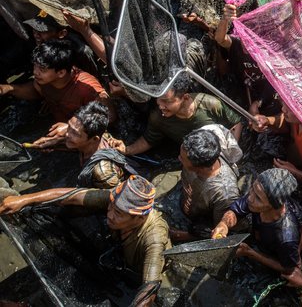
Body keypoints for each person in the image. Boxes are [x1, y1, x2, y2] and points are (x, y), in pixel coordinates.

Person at [0, 175, 170, 306]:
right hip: (115, 250)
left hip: (133, 271)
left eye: (118, 214)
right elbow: (72, 195)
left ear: (139, 219)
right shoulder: (117, 199)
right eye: (111, 206)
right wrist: (25, 199)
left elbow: (150, 287)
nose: (110, 214)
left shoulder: (154, 237)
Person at [109, 73, 242, 156]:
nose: (160, 106)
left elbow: (236, 123)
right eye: (158, 100)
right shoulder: (158, 116)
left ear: (185, 98)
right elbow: (149, 139)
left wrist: (229, 154)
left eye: (166, 101)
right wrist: (127, 150)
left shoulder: (210, 104)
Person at [212, 168, 301, 276]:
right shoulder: (257, 198)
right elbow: (235, 211)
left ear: (274, 206)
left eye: (258, 198)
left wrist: (250, 253)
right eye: (252, 188)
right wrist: (223, 224)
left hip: (274, 253)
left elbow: (289, 268)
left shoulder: (286, 238)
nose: (250, 198)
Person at [0, 39, 107, 123]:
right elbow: (35, 90)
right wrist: (9, 89)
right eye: (35, 67)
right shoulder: (44, 80)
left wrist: (69, 128)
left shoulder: (86, 87)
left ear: (61, 73)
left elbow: (108, 116)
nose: (35, 72)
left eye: (42, 69)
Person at [174, 127, 242, 240]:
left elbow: (218, 231)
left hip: (200, 218)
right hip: (185, 199)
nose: (179, 158)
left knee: (202, 230)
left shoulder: (225, 194)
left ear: (198, 167)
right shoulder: (202, 147)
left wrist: (177, 235)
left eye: (182, 158)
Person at [22, 9, 100, 76]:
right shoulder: (38, 40)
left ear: (62, 34)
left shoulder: (80, 51)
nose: (36, 34)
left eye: (41, 31)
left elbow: (93, 76)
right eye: (34, 29)